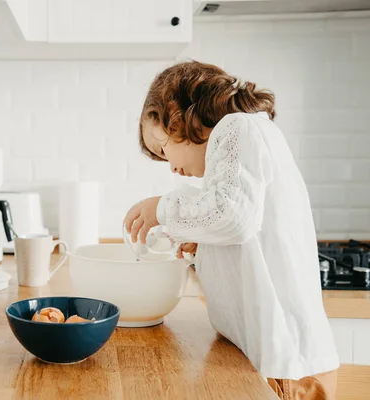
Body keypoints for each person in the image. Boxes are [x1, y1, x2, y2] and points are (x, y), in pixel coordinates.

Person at [124, 61, 339, 399]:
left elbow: (234, 217)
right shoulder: (243, 137)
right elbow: (245, 228)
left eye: (162, 149)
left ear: (176, 114)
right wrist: (204, 245)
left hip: (286, 367)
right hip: (271, 359)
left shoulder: (239, 127)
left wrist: (162, 207)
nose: (173, 168)